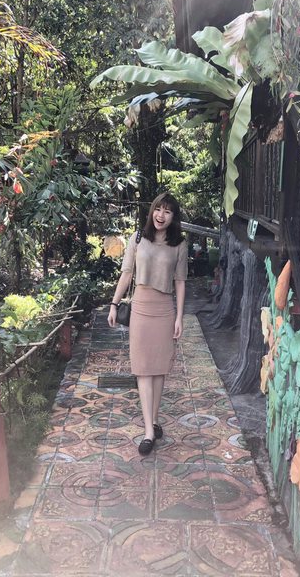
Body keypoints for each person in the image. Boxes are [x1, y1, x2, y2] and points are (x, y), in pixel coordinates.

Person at [107, 193, 187, 455]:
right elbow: (126, 273)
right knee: (143, 369)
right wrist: (114, 304)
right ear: (152, 211)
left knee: (159, 368)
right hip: (140, 307)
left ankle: (153, 420)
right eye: (158, 209)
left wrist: (179, 316)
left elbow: (180, 282)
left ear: (173, 217)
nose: (161, 215)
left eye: (167, 211)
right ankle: (149, 431)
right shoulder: (138, 238)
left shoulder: (179, 245)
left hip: (164, 309)